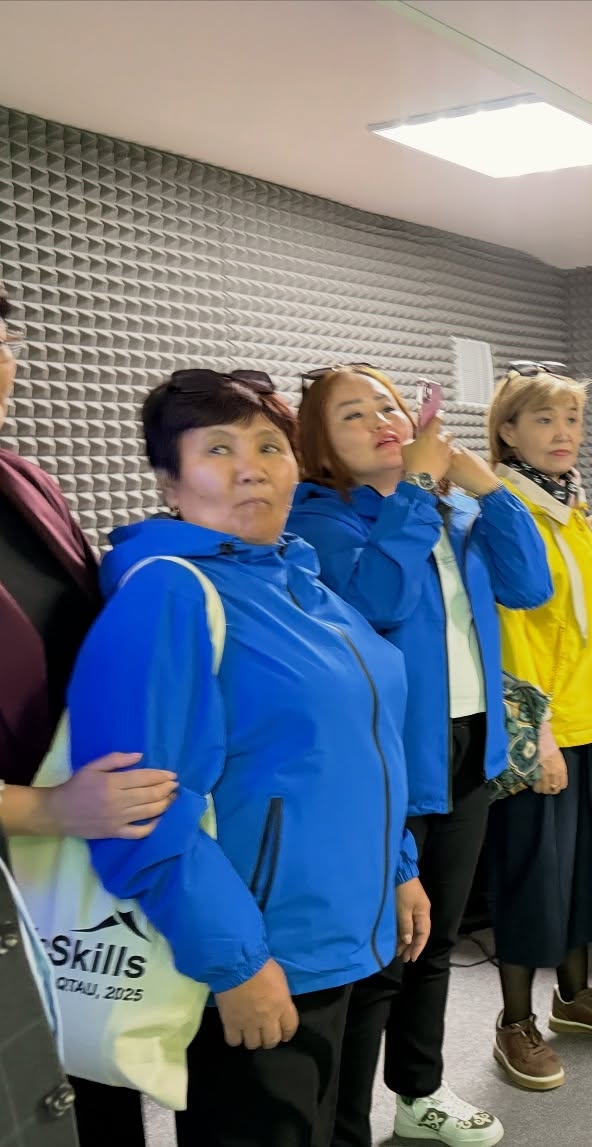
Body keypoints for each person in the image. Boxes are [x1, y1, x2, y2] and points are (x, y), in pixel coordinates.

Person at [66, 369, 428, 1147]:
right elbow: (141, 808)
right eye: (218, 449)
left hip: (348, 932)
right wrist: (234, 962)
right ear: (170, 480)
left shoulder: (304, 582)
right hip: (265, 949)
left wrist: (399, 866)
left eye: (269, 446)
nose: (251, 466)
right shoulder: (167, 595)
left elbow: (359, 745)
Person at [287, 364, 551, 1143]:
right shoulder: (320, 519)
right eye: (352, 415)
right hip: (386, 760)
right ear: (319, 447)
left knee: (435, 941)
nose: (380, 421)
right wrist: (414, 489)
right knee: (380, 957)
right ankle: (344, 1124)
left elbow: (529, 585)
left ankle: (419, 1089)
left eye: (389, 406)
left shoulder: (450, 507)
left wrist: (487, 488)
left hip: (467, 745)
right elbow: (377, 600)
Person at [0, 281, 179, 1147]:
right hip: (26, 839)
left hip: (73, 853)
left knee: (96, 1085)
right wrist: (44, 808)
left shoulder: (25, 480)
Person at [481, 361, 592, 1091]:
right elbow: (513, 632)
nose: (563, 432)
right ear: (508, 430)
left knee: (583, 873)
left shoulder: (572, 507)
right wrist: (537, 732)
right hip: (548, 731)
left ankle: (574, 997)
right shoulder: (505, 512)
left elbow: (587, 618)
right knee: (532, 878)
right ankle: (514, 1020)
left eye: (572, 419)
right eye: (544, 419)